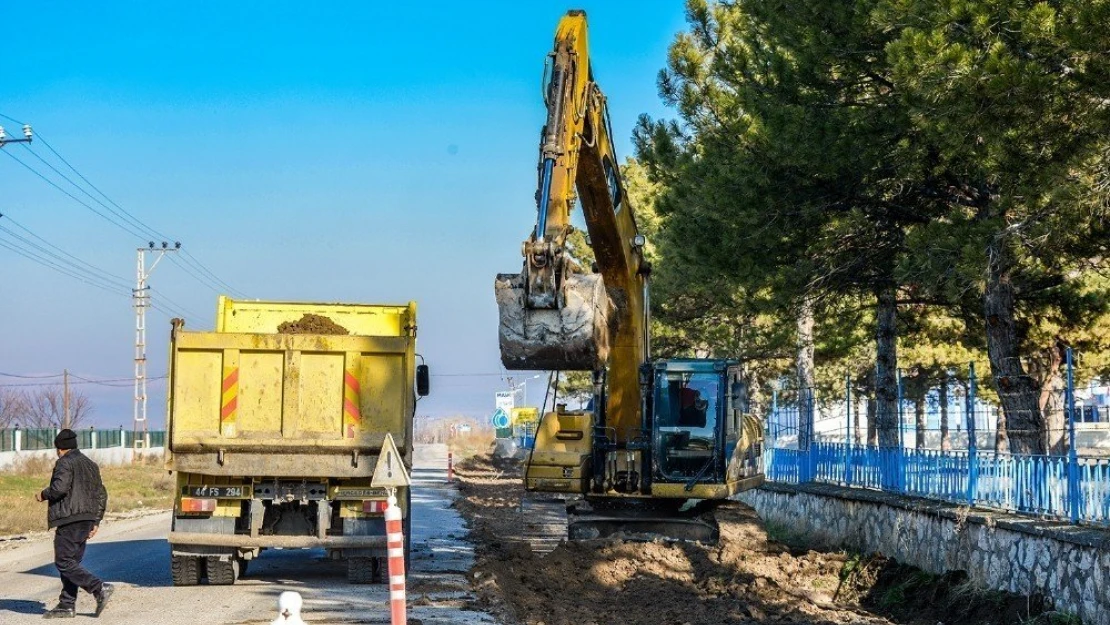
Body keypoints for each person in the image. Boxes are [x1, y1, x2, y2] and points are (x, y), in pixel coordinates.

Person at [35, 428, 113, 618]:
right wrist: (96, 520)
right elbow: (101, 494)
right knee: (72, 563)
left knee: (63, 561)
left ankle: (99, 588)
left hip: (70, 519)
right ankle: (66, 605)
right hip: (86, 518)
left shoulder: (64, 462)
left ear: (59, 448)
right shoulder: (90, 464)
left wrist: (43, 494)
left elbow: (59, 488)